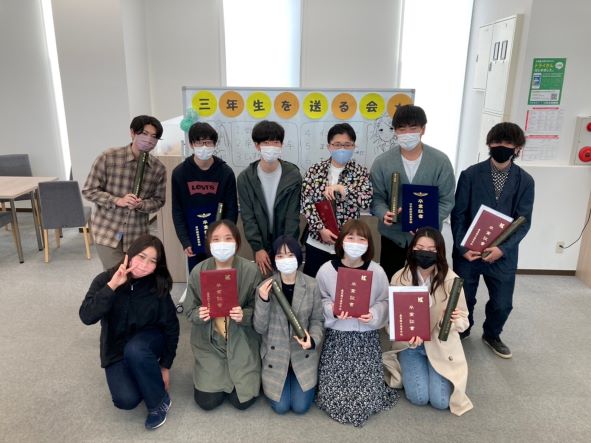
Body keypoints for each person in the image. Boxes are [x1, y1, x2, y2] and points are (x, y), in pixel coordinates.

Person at [451, 122, 534, 359]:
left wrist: (502, 249)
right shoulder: (470, 175)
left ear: (517, 147)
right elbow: (458, 215)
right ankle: (464, 329)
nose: (501, 146)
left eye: (508, 143)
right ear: (489, 144)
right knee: (464, 296)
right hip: (469, 251)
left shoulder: (525, 181)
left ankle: (492, 334)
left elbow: (524, 221)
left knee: (502, 303)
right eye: (497, 142)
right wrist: (462, 247)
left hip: (502, 254)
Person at [79, 235, 179, 430]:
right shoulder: (105, 279)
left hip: (149, 341)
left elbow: (171, 327)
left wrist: (165, 366)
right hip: (116, 346)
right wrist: (112, 286)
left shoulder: (157, 284)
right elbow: (86, 316)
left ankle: (159, 403)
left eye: (152, 261)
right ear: (130, 254)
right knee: (126, 400)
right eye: (141, 257)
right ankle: (143, 371)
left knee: (136, 350)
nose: (145, 265)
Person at [315, 219, 398, 427]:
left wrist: (373, 314)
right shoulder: (326, 270)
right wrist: (332, 310)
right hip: (337, 339)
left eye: (361, 239)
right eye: (350, 237)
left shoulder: (377, 271)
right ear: (341, 241)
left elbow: (385, 301)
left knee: (367, 398)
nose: (355, 243)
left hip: (366, 339)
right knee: (332, 395)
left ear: (368, 244)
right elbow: (319, 300)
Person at [383, 227, 473, 416]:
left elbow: (464, 319)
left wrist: (453, 321)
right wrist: (405, 334)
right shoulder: (400, 277)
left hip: (439, 344)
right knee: (419, 398)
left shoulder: (451, 280)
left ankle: (432, 368)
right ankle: (409, 365)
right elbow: (390, 320)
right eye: (420, 248)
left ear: (439, 252)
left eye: (431, 250)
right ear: (412, 249)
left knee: (441, 402)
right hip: (411, 346)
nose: (425, 253)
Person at [183, 220, 262, 410]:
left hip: (241, 340)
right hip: (210, 343)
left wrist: (244, 314)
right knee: (207, 402)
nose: (222, 244)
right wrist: (199, 314)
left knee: (242, 402)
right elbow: (189, 309)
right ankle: (211, 374)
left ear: (237, 242)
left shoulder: (250, 270)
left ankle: (245, 373)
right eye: (216, 239)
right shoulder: (199, 271)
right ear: (209, 243)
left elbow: (259, 309)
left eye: (228, 238)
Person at [370, 105, 455, 281]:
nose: (407, 133)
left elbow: (446, 200)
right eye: (402, 129)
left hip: (428, 241)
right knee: (392, 283)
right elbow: (376, 197)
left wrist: (428, 222)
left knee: (426, 285)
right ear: (395, 131)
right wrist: (383, 213)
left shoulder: (440, 161)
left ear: (423, 129)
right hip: (393, 236)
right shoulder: (382, 162)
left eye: (413, 128)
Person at [82, 115, 166, 270]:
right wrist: (116, 200)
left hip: (137, 234)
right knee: (117, 275)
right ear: (132, 133)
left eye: (154, 137)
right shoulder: (109, 157)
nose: (149, 140)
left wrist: (141, 204)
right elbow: (89, 190)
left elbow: (159, 200)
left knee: (135, 276)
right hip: (107, 231)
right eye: (144, 134)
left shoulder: (158, 168)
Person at [254, 236, 324, 414]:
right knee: (281, 407)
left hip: (302, 355)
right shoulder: (265, 287)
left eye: (290, 254)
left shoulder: (312, 284)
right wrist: (263, 300)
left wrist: (312, 340)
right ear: (274, 260)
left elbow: (317, 320)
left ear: (298, 257)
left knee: (300, 407)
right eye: (280, 256)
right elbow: (259, 327)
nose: (285, 259)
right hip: (276, 356)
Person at [300, 123, 372, 277]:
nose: (342, 149)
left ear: (354, 146)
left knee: (344, 286)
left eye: (347, 145)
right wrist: (320, 229)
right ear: (329, 146)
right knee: (314, 284)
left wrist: (344, 189)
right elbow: (306, 204)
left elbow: (365, 201)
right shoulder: (315, 170)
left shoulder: (361, 172)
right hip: (317, 242)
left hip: (348, 245)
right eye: (337, 144)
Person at [237, 120, 302, 276]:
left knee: (286, 281)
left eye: (276, 142)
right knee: (264, 283)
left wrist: (287, 248)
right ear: (257, 145)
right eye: (266, 143)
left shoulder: (293, 175)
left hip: (286, 245)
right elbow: (248, 217)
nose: (271, 146)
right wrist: (258, 248)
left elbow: (293, 216)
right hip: (261, 245)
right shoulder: (245, 178)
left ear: (282, 145)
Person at [171, 122, 238, 273]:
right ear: (191, 144)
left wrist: (227, 237)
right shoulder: (179, 173)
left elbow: (231, 209)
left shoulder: (226, 172)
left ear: (214, 144)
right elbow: (177, 210)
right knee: (198, 277)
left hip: (220, 239)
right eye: (199, 142)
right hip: (193, 238)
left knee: (222, 276)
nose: (204, 147)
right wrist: (185, 240)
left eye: (208, 142)